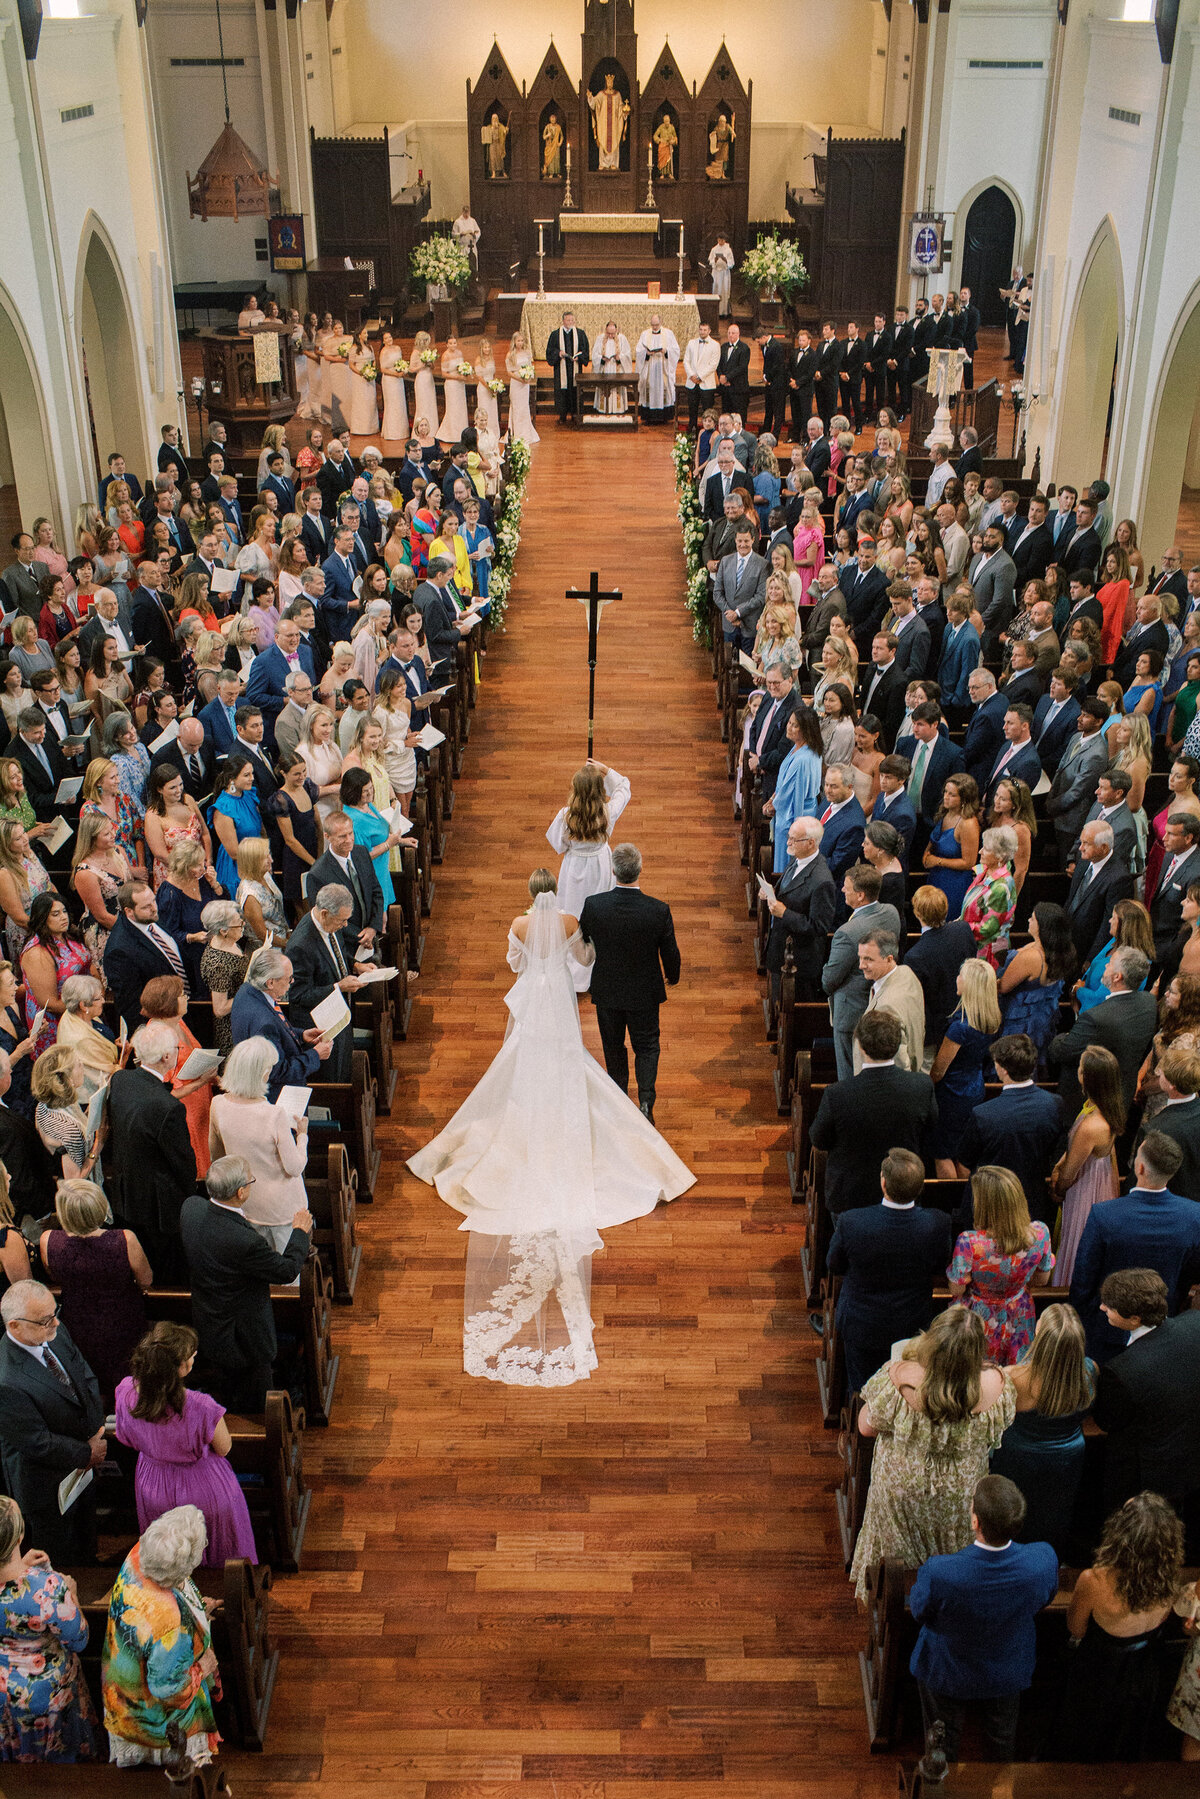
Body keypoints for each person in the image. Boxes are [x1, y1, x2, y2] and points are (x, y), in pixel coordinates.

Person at [408, 874, 694, 1385]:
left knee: (520, 1061)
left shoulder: (519, 922)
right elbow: (584, 961)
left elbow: (514, 963)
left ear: (528, 890)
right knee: (570, 1060)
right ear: (555, 891)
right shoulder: (568, 921)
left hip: (533, 996)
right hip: (559, 997)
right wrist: (569, 956)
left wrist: (532, 957)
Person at [849, 1306, 1015, 1601]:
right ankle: (942, 1602)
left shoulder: (902, 1378)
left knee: (895, 1559)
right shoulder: (996, 1385)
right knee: (949, 1556)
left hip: (902, 1490)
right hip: (960, 1495)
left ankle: (889, 1605)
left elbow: (865, 1427)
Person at [909, 1474, 1059, 1769]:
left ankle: (942, 1778)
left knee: (942, 1738)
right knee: (1002, 1738)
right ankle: (998, 1781)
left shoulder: (941, 1572)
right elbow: (1045, 1598)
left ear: (975, 1522)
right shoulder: (1042, 1561)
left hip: (948, 1668)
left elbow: (919, 1611)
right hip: (1007, 1666)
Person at [1052, 1491, 1185, 1762]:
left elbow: (1076, 1630)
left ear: (1122, 1535)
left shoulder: (1094, 1580)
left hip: (1097, 1676)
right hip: (1143, 1676)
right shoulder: (1169, 1580)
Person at [180, 1153, 312, 1412]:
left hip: (208, 1318)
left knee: (227, 1384)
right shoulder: (244, 1241)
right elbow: (285, 1271)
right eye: (251, 1182)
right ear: (240, 1192)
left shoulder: (191, 1208)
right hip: (243, 1335)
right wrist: (299, 1233)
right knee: (256, 1402)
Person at [115, 1322, 255, 1564]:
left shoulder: (126, 1391)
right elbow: (224, 1448)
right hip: (201, 1488)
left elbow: (125, 1436)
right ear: (182, 1367)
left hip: (153, 1486)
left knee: (167, 1557)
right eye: (192, 1355)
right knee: (222, 1556)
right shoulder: (201, 1405)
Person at [102, 1505, 221, 1768]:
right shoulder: (171, 1627)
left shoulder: (140, 1554)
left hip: (124, 1681)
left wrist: (195, 1607)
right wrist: (203, 1667)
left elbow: (173, 1588)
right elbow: (170, 1690)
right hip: (152, 1715)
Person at [827, 1149, 951, 1397]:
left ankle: (862, 1427)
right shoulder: (937, 1223)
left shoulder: (852, 1222)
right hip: (912, 1321)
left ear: (883, 1182)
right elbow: (941, 1266)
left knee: (862, 1390)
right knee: (906, 1389)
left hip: (863, 1322)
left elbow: (834, 1264)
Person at [0, 1280, 106, 1565]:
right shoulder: (6, 1380)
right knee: (58, 1557)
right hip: (46, 1483)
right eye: (45, 1320)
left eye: (55, 1312)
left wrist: (95, 1428)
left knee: (86, 1538)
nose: (56, 1323)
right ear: (14, 1327)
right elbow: (37, 1442)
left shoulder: (52, 1332)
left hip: (82, 1462)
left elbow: (84, 1376)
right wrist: (87, 1452)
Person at [1071, 1130, 1200, 1359]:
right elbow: (1190, 1273)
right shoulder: (1193, 1215)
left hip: (1106, 1330)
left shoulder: (1104, 1215)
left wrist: (1087, 1320)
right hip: (1161, 1325)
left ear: (1139, 1168)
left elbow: (1083, 1280)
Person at [0, 1491, 99, 1762]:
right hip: (48, 1699)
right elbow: (79, 1639)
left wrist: (17, 1565)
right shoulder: (46, 1587)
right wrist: (73, 1594)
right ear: (19, 1538)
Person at [1091, 1267, 1200, 1512]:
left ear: (1135, 1319)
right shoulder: (1195, 1321)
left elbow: (1107, 1421)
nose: (1102, 1308)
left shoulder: (1122, 1371)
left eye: (1110, 1306)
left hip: (1145, 1478)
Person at [810, 1010, 938, 1217]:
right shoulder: (921, 1086)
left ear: (859, 1046)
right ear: (897, 1044)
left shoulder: (837, 1094)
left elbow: (819, 1139)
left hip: (851, 1196)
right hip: (903, 1189)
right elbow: (930, 1131)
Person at [990, 1303, 1096, 1553]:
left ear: (1040, 1335)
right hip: (1067, 1457)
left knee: (1012, 1513)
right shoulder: (1090, 1372)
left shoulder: (1014, 1377)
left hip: (1018, 1457)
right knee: (1054, 1514)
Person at [40, 1178, 150, 1403]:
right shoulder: (124, 1239)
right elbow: (146, 1280)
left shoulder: (49, 1240)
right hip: (122, 1319)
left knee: (86, 1376)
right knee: (126, 1377)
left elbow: (54, 1275)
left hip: (77, 1320)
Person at [107, 1021, 197, 1284]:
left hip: (125, 1194)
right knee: (166, 1274)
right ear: (167, 1057)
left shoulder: (122, 1079)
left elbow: (148, 1093)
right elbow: (183, 1164)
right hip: (159, 1209)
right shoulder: (169, 1109)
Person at [209, 1036, 310, 1253]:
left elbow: (217, 1157)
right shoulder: (274, 1114)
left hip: (244, 1202)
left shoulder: (217, 1104)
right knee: (288, 1272)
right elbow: (294, 1167)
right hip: (281, 1209)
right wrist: (302, 1136)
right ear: (261, 1074)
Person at [948, 1165, 1055, 1364]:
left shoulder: (969, 1242)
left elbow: (957, 1287)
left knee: (979, 1375)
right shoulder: (1040, 1233)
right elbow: (1042, 1280)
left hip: (979, 1320)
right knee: (1014, 1375)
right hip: (1019, 1314)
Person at [1048, 943, 1157, 1114]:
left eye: (1110, 963)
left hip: (1091, 1099)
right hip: (1123, 1093)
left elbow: (1062, 1050)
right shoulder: (1148, 1002)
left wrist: (1062, 1037)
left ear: (1117, 977)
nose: (1105, 965)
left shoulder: (1096, 1018)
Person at [1049, 1042, 1123, 1287]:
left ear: (1086, 1077)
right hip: (1097, 1177)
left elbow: (1070, 1174)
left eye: (1079, 1068)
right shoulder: (1104, 1107)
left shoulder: (1093, 1125)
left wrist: (1058, 1188)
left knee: (1078, 1241)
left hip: (1086, 1188)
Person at [821, 863, 901, 1081]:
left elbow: (829, 980)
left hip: (850, 1011)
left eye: (847, 888)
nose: (842, 890)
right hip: (878, 1001)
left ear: (861, 895)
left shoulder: (847, 933)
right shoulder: (891, 913)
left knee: (848, 1073)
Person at [930, 960, 1002, 1178]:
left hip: (951, 1094)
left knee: (942, 1151)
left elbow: (939, 1071)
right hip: (974, 1087)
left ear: (970, 985)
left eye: (961, 975)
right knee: (963, 1152)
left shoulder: (959, 1028)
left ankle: (950, 1199)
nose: (956, 978)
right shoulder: (991, 1019)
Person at [545, 762, 632, 926]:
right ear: (600, 789)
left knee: (572, 908)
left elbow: (558, 844)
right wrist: (605, 769)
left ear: (576, 790)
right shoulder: (608, 812)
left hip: (574, 864)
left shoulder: (566, 815)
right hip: (600, 864)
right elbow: (623, 787)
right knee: (601, 908)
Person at [102, 878, 186, 1035]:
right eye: (147, 906)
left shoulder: (150, 917)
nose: (155, 908)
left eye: (153, 901)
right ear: (129, 912)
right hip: (160, 1027)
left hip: (179, 1008)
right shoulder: (119, 951)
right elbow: (131, 1006)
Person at [997, 899, 1075, 1059]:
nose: (1028, 920)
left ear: (1042, 926)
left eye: (1032, 918)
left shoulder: (1032, 958)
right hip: (1041, 1020)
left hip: (1020, 1022)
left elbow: (1002, 987)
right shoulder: (1059, 949)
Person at [853, 928, 925, 1072]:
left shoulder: (887, 1008)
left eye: (868, 959)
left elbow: (899, 1062)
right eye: (860, 958)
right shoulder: (906, 973)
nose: (861, 965)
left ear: (889, 959)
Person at [1075, 896, 1154, 1012]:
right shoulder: (1114, 941)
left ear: (1124, 926)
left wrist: (1078, 990)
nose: (1109, 921)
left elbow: (1102, 999)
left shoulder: (1132, 961)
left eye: (1113, 918)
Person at [959, 824, 1018, 970]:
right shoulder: (985, 870)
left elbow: (986, 930)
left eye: (986, 849)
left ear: (1000, 856)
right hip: (973, 944)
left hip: (987, 955)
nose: (980, 851)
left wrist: (959, 928)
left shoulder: (1000, 888)